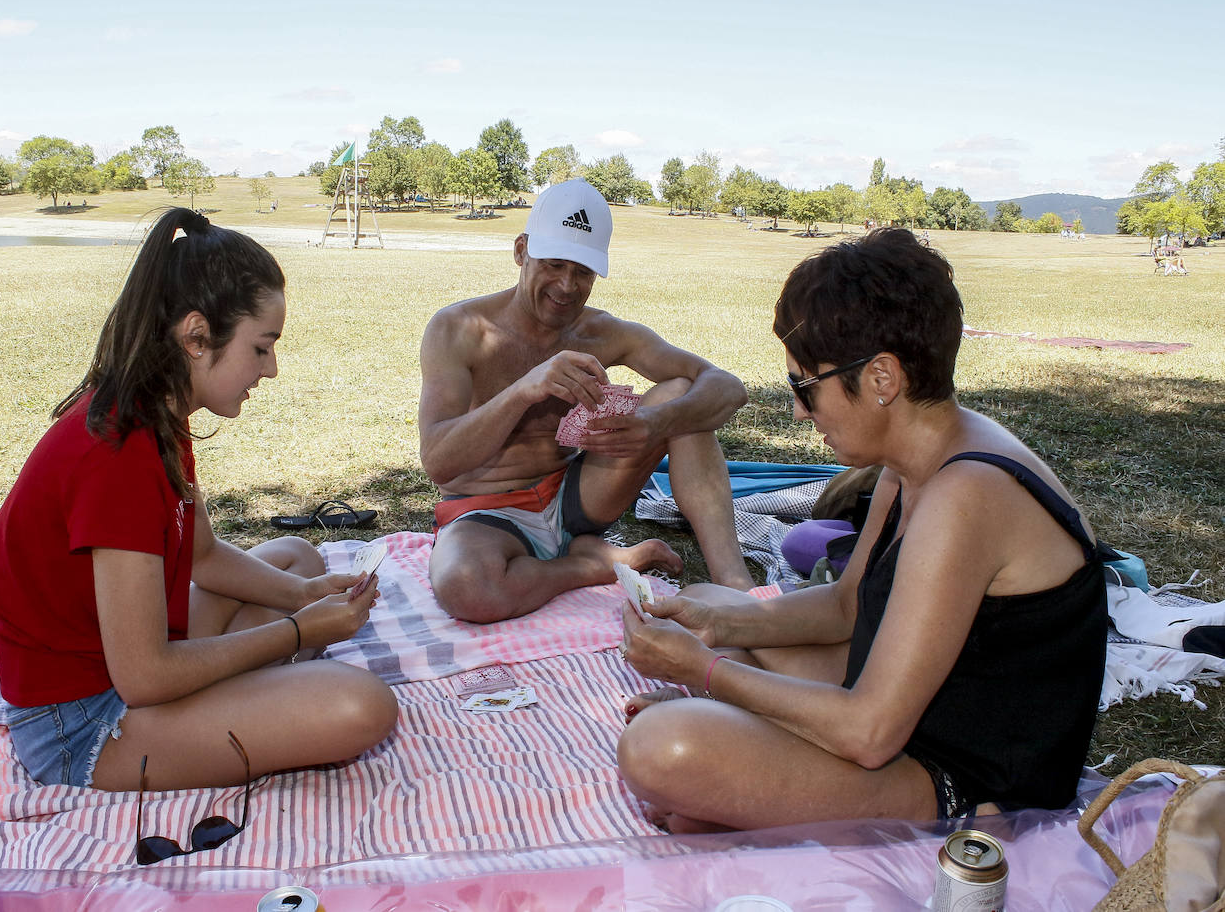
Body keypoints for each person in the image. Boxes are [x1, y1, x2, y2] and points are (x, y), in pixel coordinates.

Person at [616, 227, 1107, 831]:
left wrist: (703, 670)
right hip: (910, 713)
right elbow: (848, 607)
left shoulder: (965, 494)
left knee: (663, 748)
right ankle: (742, 769)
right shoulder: (920, 458)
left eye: (805, 387)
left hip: (963, 778)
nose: (798, 410)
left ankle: (740, 772)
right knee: (705, 600)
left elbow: (871, 732)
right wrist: (714, 626)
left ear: (881, 378)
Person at [0, 207, 397, 793]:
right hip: (83, 727)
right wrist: (302, 631)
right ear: (197, 337)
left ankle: (236, 695)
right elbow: (145, 677)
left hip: (119, 666)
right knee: (361, 706)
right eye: (261, 347)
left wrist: (305, 598)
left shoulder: (155, 416)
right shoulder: (118, 455)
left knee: (297, 560)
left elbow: (202, 556)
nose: (272, 369)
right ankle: (243, 699)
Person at [418, 178, 754, 625]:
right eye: (554, 265)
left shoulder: (602, 332)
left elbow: (726, 387)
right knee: (467, 588)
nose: (567, 286)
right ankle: (595, 564)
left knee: (681, 394)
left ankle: (735, 585)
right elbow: (439, 463)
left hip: (576, 498)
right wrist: (524, 390)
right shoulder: (459, 329)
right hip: (485, 512)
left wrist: (655, 422)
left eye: (583, 272)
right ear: (521, 251)